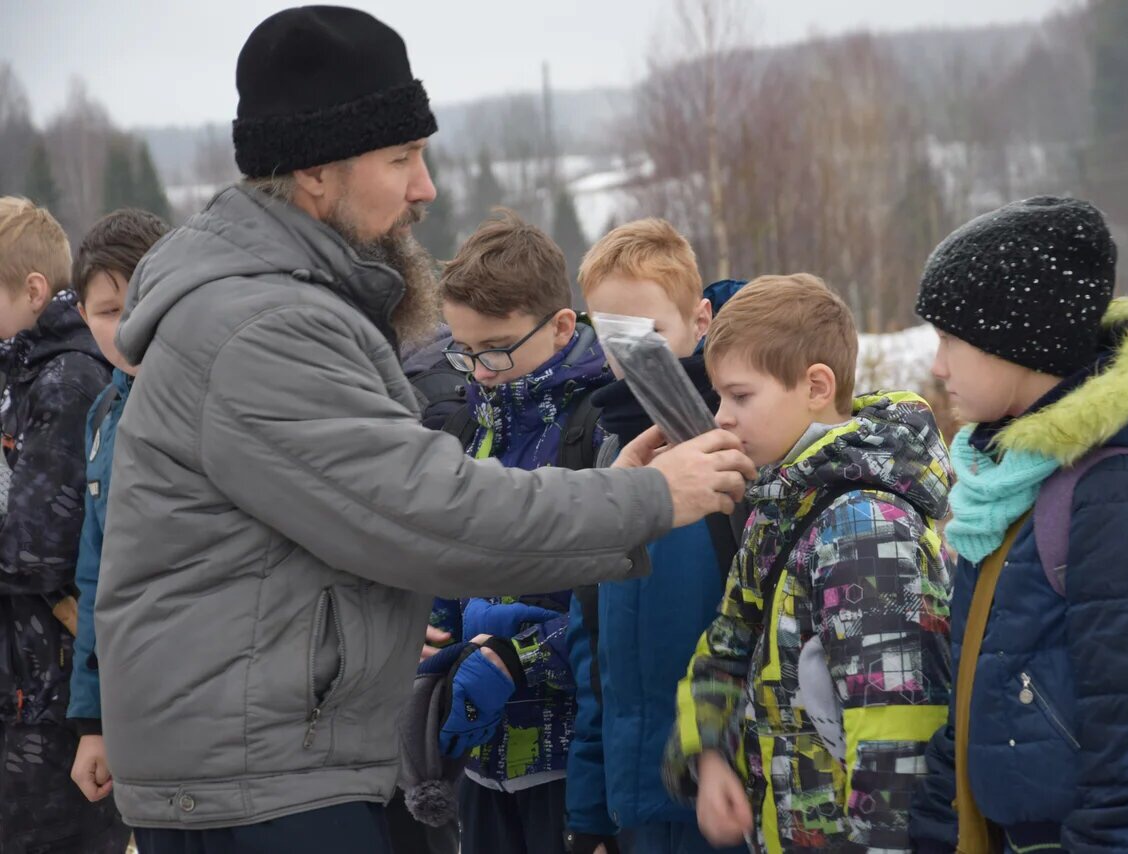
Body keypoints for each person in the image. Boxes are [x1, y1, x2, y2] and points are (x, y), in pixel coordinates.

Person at [93, 7, 753, 852]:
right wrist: (649, 497)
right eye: (400, 157)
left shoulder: (268, 304)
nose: (425, 187)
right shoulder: (263, 328)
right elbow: (425, 511)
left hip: (263, 761)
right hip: (258, 782)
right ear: (315, 173)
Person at [908, 197, 1128, 853]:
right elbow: (970, 700)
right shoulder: (1009, 482)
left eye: (950, 340)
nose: (938, 367)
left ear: (1018, 340)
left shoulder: (1117, 497)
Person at [662, 274, 955, 852]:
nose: (720, 416)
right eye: (719, 397)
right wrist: (710, 754)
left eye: (740, 396)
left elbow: (898, 730)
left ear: (816, 385)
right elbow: (723, 649)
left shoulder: (865, 530)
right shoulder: (777, 505)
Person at [429, 209, 614, 854]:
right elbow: (444, 564)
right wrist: (430, 639)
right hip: (479, 767)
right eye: (466, 350)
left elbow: (617, 617)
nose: (481, 369)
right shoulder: (464, 428)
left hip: (576, 767)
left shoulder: (602, 428)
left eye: (498, 348)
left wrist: (520, 659)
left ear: (563, 325)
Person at [565, 218, 747, 854]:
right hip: (633, 801)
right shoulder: (611, 453)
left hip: (727, 796)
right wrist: (590, 808)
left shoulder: (738, 453)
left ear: (701, 320)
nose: (631, 359)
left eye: (651, 335)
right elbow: (591, 649)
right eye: (613, 338)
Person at [0, 197, 123, 852]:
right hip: (25, 683)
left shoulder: (67, 378)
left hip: (50, 695)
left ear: (35, 289)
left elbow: (37, 550)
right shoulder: (22, 370)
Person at [66, 209, 171, 811]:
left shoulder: (220, 394)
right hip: (136, 707)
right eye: (108, 313)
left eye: (142, 306)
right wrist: (92, 722)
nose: (128, 328)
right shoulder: (103, 416)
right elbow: (94, 573)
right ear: (83, 316)